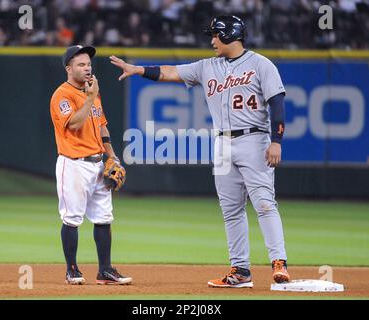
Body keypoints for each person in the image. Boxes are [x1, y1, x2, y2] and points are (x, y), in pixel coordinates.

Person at [109, 15, 290, 288]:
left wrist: (276, 140)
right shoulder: (207, 67)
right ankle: (240, 271)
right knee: (231, 210)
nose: (212, 40)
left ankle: (279, 262)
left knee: (264, 204)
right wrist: (138, 70)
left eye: (216, 35)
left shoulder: (261, 65)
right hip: (222, 144)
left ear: (231, 35)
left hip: (255, 139)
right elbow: (171, 72)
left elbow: (277, 103)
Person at [50, 45, 132, 285]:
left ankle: (105, 270)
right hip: (74, 164)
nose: (87, 68)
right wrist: (88, 98)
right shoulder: (62, 95)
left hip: (98, 163)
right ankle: (72, 269)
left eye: (88, 64)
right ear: (69, 68)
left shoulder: (93, 93)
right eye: (81, 65)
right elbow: (74, 124)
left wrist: (113, 157)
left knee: (104, 217)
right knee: (72, 218)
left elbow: (102, 126)